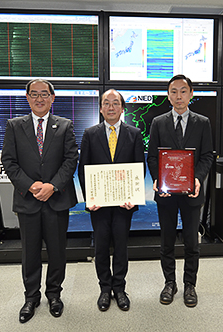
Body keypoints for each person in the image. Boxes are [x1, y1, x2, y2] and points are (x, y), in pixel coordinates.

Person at [1, 79, 78, 323]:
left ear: (53, 98)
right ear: (27, 97)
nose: (39, 99)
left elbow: (70, 160)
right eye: (34, 94)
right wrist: (32, 186)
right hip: (28, 200)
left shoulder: (65, 126)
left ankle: (54, 294)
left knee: (57, 252)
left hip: (56, 200)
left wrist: (52, 186)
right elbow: (9, 162)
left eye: (44, 94)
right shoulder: (14, 126)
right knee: (30, 253)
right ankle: (30, 297)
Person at [147, 74, 213, 308]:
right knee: (166, 241)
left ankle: (190, 285)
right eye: (173, 91)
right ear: (168, 95)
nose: (178, 96)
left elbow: (206, 156)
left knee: (191, 243)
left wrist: (197, 178)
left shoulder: (202, 122)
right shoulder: (158, 122)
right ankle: (169, 283)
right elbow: (153, 157)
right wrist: (158, 179)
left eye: (183, 91)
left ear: (191, 94)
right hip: (166, 193)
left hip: (191, 193)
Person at [78, 89, 145, 312]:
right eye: (106, 103)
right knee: (101, 247)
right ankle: (105, 289)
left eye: (115, 103)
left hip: (124, 203)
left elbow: (139, 169)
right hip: (99, 204)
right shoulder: (90, 133)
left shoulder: (134, 134)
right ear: (100, 108)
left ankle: (120, 289)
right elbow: (83, 169)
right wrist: (90, 199)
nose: (111, 107)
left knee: (121, 247)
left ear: (122, 108)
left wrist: (133, 197)